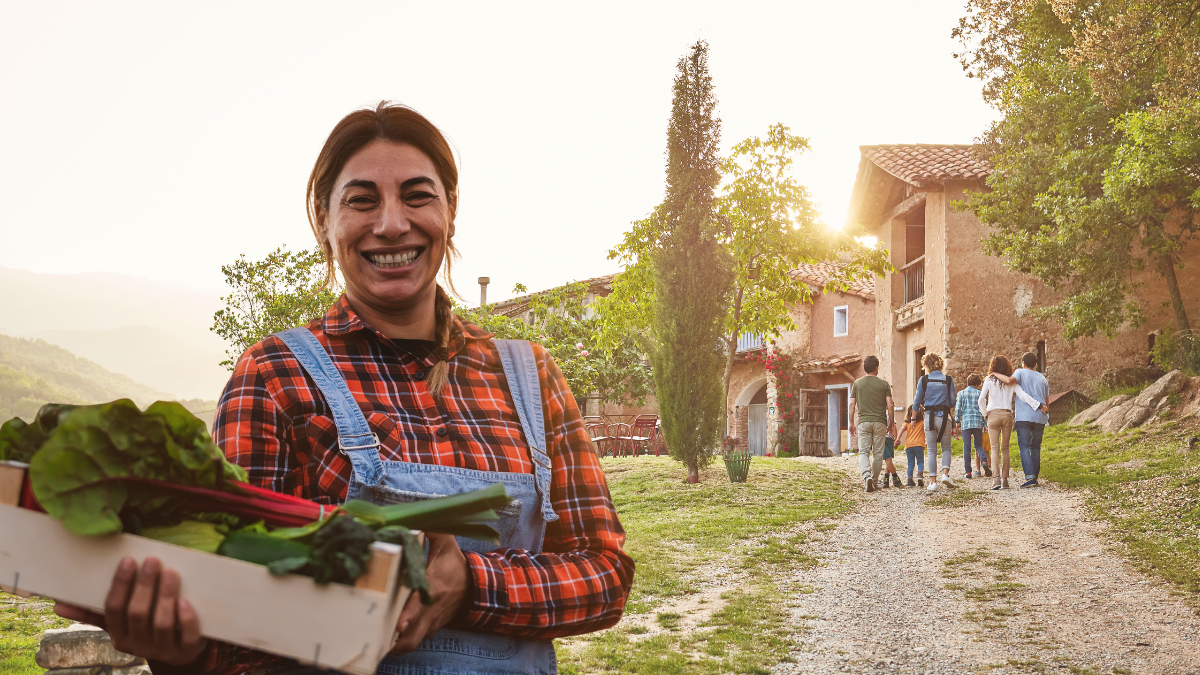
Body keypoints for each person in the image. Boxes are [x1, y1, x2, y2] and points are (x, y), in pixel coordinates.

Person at [55, 102, 635, 675]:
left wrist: (471, 583)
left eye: (417, 196)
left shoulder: (530, 375)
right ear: (324, 220)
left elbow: (605, 574)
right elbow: (232, 615)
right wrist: (178, 650)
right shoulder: (275, 375)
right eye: (362, 200)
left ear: (450, 210)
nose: (392, 224)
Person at [979, 355, 1050, 490]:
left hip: (993, 414)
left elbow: (981, 399)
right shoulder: (1012, 381)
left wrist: (985, 414)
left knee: (994, 448)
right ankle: (1005, 480)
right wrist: (1039, 405)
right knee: (1005, 448)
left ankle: (996, 480)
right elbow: (1023, 396)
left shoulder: (989, 379)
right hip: (1007, 415)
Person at [848, 355, 896, 492]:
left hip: (863, 422)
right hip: (880, 422)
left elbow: (852, 404)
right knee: (878, 453)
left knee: (863, 452)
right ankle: (874, 482)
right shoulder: (884, 384)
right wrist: (891, 423)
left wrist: (851, 422)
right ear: (876, 368)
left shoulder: (857, 384)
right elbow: (890, 405)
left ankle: (867, 476)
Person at [913, 353, 956, 491]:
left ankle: (933, 482)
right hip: (944, 417)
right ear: (940, 363)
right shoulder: (948, 380)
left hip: (929, 417)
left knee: (931, 450)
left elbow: (917, 401)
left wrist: (913, 418)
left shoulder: (924, 380)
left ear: (926, 365)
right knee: (946, 448)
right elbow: (953, 402)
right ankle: (945, 474)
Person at [1012, 352, 1050, 488]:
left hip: (1024, 416)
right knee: (1036, 447)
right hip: (1040, 416)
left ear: (1023, 363)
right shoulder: (1043, 379)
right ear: (1036, 364)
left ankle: (1030, 477)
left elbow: (1011, 382)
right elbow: (1047, 401)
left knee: (1024, 446)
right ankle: (1035, 476)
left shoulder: (1019, 372)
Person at [953, 373, 990, 479]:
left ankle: (968, 472)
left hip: (966, 423)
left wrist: (957, 421)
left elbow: (958, 408)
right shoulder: (979, 393)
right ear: (977, 384)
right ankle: (984, 461)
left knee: (967, 447)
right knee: (978, 445)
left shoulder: (961, 393)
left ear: (968, 382)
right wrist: (985, 424)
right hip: (978, 423)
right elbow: (983, 409)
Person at [898, 406, 926, 487]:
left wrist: (897, 439)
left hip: (909, 445)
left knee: (910, 463)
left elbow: (901, 430)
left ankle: (909, 480)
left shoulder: (907, 423)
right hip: (919, 444)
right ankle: (920, 476)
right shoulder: (923, 423)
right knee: (920, 462)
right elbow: (927, 430)